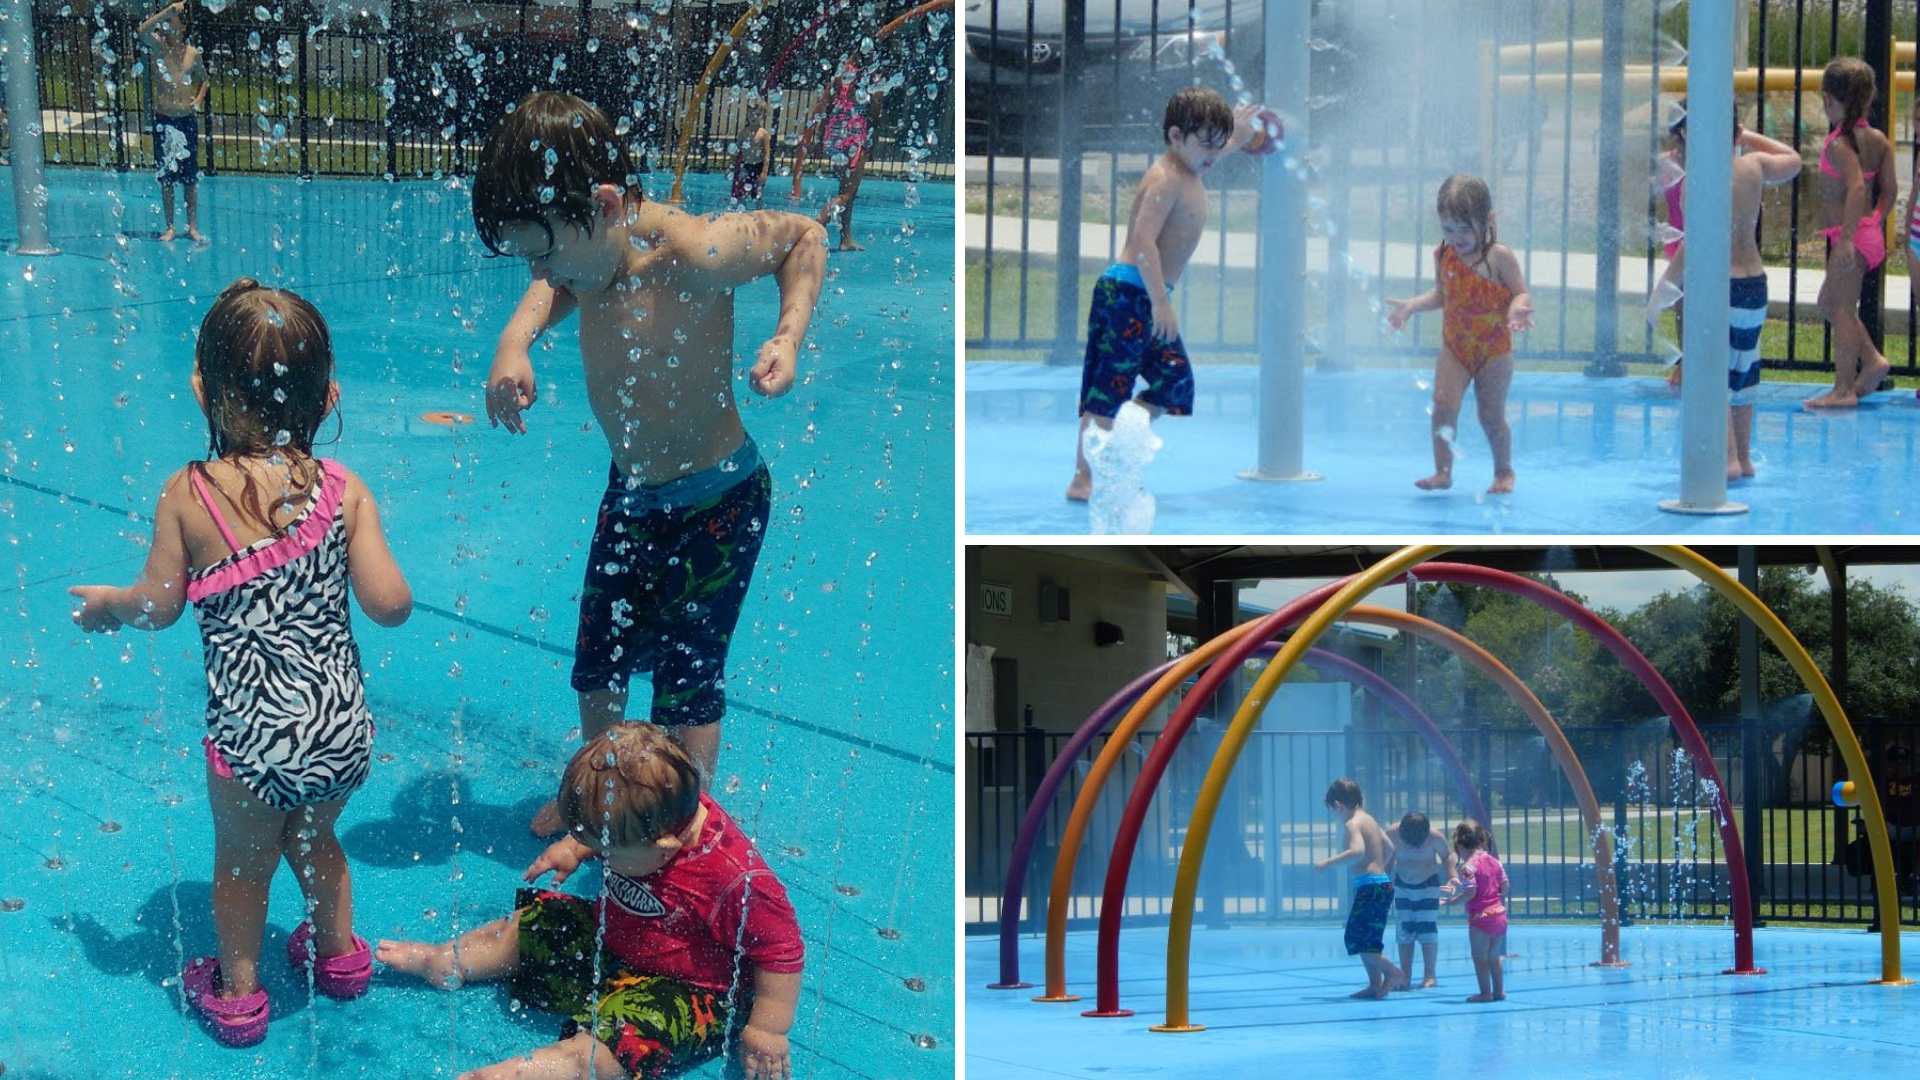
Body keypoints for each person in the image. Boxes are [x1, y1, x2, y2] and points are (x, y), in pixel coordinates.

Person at [68, 278, 413, 1047]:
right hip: (339, 733)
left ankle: (238, 992)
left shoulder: (189, 494)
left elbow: (158, 606)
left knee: (244, 865)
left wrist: (111, 605)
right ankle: (340, 960)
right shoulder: (345, 491)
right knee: (318, 840)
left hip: (253, 742)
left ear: (203, 388)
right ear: (329, 399)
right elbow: (391, 603)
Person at [473, 91, 828, 835]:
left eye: (544, 248)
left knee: (686, 676)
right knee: (598, 656)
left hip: (719, 500)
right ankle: (597, 796)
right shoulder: (593, 250)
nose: (541, 271)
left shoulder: (696, 252)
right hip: (632, 492)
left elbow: (803, 236)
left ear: (605, 204)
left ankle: (680, 821)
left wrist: (788, 337)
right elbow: (559, 281)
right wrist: (515, 341)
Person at [377, 723, 803, 1080]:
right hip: (618, 941)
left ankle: (510, 1074)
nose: (598, 856)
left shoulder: (735, 879)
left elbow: (781, 951)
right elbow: (611, 835)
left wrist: (768, 1027)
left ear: (666, 844)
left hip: (693, 990)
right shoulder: (648, 818)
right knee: (534, 923)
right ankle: (448, 960)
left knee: (609, 1046)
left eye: (603, 850)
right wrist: (575, 847)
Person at [1065, 86, 1260, 501]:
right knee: (1107, 391)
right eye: (1206, 144)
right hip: (1128, 296)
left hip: (1145, 296)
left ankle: (1118, 441)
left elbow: (1212, 152)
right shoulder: (1165, 179)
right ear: (1175, 137)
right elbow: (1142, 241)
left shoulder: (1190, 168)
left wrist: (1238, 137)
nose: (1213, 154)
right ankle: (1084, 478)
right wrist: (1161, 302)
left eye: (1217, 143)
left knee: (1175, 383)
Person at [1651, 109, 1803, 480]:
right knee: (1744, 372)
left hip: (1722, 287)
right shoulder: (1753, 167)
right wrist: (1745, 136)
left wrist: (1661, 292)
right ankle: (1745, 458)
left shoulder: (1698, 181)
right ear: (1735, 133)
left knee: (1711, 373)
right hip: (1754, 286)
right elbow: (1794, 161)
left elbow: (1693, 245)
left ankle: (1728, 460)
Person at [1387, 174, 1533, 494]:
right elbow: (1443, 295)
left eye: (1465, 228)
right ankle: (1443, 472)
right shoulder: (1444, 255)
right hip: (1455, 347)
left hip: (1494, 350)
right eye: (1448, 229)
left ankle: (1504, 471)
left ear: (1488, 220)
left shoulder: (1499, 257)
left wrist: (1518, 308)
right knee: (1442, 404)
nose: (1456, 237)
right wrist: (1412, 305)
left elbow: (1520, 293)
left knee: (1490, 416)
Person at [1806, 57, 1897, 409]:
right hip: (1866, 232)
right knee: (1828, 302)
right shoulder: (1878, 140)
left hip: (1851, 238)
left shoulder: (1838, 144)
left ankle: (1843, 390)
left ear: (1829, 98)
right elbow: (1888, 190)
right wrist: (1875, 220)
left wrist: (1846, 237)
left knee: (1842, 308)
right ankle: (1873, 360)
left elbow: (1857, 188)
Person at [1313, 778, 1408, 999]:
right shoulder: (1370, 820)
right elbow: (1391, 848)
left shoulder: (1352, 823)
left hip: (1371, 888)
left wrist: (1327, 862)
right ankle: (1375, 985)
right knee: (1367, 939)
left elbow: (1357, 851)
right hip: (1379, 885)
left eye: (1332, 810)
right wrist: (1381, 872)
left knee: (1357, 938)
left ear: (1338, 805)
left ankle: (1394, 973)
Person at [138, 1, 207, 244]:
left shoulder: (193, 54)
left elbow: (204, 80)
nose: (168, 23)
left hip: (185, 120)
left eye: (174, 19)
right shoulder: (159, 48)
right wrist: (167, 11)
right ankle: (169, 226)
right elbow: (141, 31)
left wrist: (197, 100)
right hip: (165, 120)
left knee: (190, 178)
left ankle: (192, 227)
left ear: (184, 25)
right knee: (166, 176)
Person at [1438, 820, 1508, 1003]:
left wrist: (1453, 901)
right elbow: (1506, 885)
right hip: (1499, 914)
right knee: (1494, 956)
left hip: (1480, 917)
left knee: (1479, 957)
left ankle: (1485, 993)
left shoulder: (1468, 867)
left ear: (1460, 845)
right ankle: (1499, 992)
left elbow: (1470, 892)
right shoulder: (1494, 861)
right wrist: (1495, 897)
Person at [1387, 810, 1456, 989]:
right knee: (1404, 931)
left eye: (1419, 844)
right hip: (1403, 885)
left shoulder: (1435, 837)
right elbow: (1386, 857)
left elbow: (1447, 856)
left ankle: (1430, 975)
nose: (1415, 847)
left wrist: (1451, 876)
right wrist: (1384, 879)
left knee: (1427, 931)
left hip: (1428, 886)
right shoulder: (1392, 835)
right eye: (1409, 843)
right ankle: (1405, 976)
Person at [731, 99, 774, 206]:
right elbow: (736, 150)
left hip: (758, 167)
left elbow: (767, 154)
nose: (754, 117)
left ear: (763, 116)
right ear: (747, 114)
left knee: (758, 194)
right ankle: (742, 215)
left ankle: (759, 213)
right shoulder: (743, 132)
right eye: (751, 114)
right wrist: (732, 166)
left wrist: (764, 172)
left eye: (758, 114)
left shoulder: (763, 134)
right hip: (746, 166)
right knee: (742, 193)